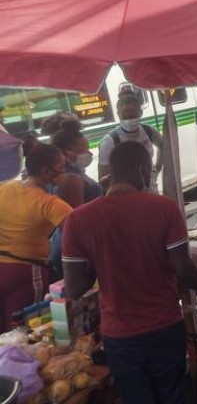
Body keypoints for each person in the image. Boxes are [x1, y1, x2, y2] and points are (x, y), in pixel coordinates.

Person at [62, 142, 197, 404]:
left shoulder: (77, 219)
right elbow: (183, 269)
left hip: (119, 336)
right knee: (173, 394)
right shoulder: (165, 208)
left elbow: (73, 289)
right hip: (164, 327)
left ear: (111, 172)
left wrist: (101, 257)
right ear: (141, 170)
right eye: (150, 172)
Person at [0, 145, 72, 333]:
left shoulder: (5, 188)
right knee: (28, 331)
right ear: (46, 171)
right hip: (26, 272)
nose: (65, 171)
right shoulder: (51, 204)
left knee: (4, 333)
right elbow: (79, 236)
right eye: (62, 166)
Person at [49, 120, 103, 279]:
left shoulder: (62, 174)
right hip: (75, 249)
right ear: (65, 153)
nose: (89, 154)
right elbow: (75, 221)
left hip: (66, 246)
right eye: (83, 150)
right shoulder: (71, 179)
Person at [98, 91, 163, 193]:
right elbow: (102, 178)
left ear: (140, 113)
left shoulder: (148, 131)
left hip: (151, 190)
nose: (128, 121)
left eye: (132, 116)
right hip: (127, 194)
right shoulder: (110, 141)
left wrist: (157, 168)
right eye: (124, 117)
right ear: (119, 115)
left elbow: (163, 145)